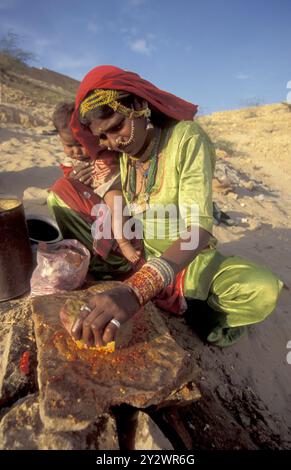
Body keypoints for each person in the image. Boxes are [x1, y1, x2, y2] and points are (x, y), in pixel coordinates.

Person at [59, 65, 283, 348]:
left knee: (261, 288)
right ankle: (135, 281)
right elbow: (125, 195)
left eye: (116, 127)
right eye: (102, 137)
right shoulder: (126, 150)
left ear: (140, 105)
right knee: (62, 194)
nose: (113, 142)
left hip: (185, 261)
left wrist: (137, 289)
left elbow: (198, 230)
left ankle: (197, 316)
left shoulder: (186, 138)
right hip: (138, 251)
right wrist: (123, 234)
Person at [48, 102, 142, 269]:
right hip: (94, 208)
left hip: (114, 190)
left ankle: (123, 243)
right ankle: (82, 252)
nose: (76, 152)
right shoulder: (72, 163)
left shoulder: (105, 151)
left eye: (81, 144)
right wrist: (72, 180)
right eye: (69, 146)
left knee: (115, 199)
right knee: (57, 193)